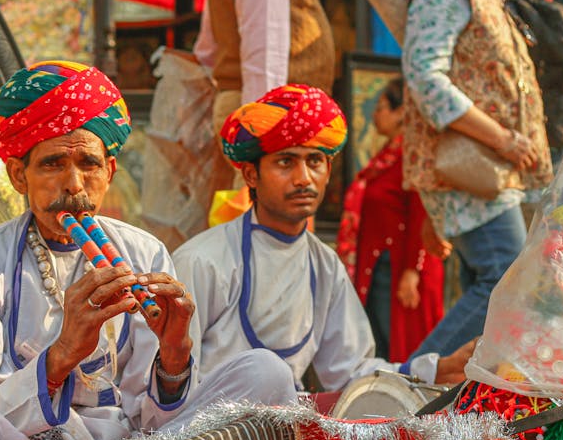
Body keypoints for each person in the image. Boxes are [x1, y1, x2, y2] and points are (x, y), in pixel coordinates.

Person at [0, 61, 297, 440]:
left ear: (109, 172)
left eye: (88, 163)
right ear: (19, 175)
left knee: (265, 373)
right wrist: (63, 353)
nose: (74, 184)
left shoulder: (144, 252)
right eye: (53, 164)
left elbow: (155, 419)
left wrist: (175, 356)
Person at [173, 84, 473, 392]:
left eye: (315, 161)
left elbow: (351, 372)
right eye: (285, 162)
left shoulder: (325, 266)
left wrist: (436, 370)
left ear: (328, 170)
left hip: (282, 431)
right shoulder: (201, 260)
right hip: (203, 434)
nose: (304, 178)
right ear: (251, 175)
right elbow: (166, 383)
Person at [401, 0, 553, 357]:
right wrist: (501, 138)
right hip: (470, 168)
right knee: (506, 278)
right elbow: (424, 76)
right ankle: (410, 386)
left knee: (490, 284)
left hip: (495, 172)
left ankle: (453, 405)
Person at [335, 77, 444, 362]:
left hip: (401, 268)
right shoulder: (386, 157)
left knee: (401, 347)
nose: (375, 114)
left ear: (401, 113)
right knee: (379, 344)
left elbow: (421, 212)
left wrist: (412, 270)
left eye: (382, 107)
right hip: (382, 264)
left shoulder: (411, 155)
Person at [193, 0, 337, 135]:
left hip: (271, 101)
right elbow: (265, 41)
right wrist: (262, 123)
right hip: (277, 104)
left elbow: (210, 44)